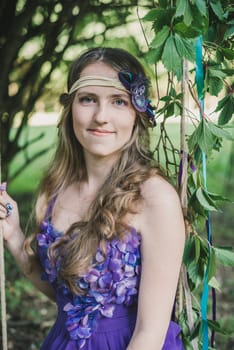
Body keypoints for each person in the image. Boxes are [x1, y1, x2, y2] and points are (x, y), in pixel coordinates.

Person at [0, 47, 185, 350]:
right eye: (88, 99)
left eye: (118, 102)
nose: (101, 116)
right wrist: (15, 237)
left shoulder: (155, 199)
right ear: (71, 106)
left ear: (137, 113)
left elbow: (150, 332)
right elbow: (69, 295)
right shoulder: (55, 189)